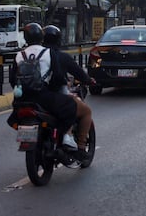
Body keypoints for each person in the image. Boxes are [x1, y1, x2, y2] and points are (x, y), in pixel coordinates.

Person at [10, 23, 93, 160]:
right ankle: (69, 139)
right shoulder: (48, 53)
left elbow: (12, 79)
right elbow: (58, 77)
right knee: (73, 107)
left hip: (22, 99)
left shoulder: (19, 55)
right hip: (44, 97)